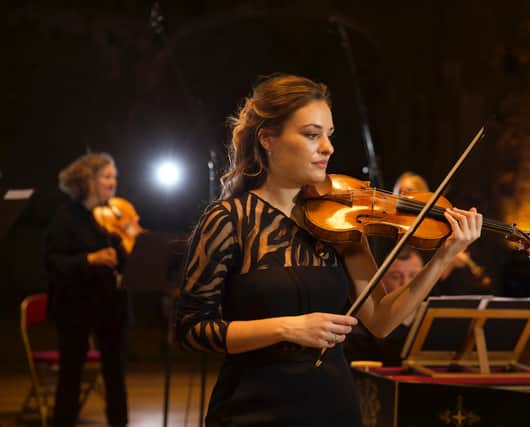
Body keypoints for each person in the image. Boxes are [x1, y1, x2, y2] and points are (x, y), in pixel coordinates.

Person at [175, 74, 482, 427]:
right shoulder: (229, 220)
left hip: (333, 405)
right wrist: (286, 328)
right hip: (252, 407)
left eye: (329, 135)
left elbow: (381, 320)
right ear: (268, 138)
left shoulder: (339, 221)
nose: (327, 147)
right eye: (311, 134)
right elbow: (191, 329)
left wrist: (442, 255)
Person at [44, 153, 129, 427]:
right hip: (75, 306)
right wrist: (90, 259)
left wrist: (133, 243)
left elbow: (125, 259)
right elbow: (53, 262)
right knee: (71, 374)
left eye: (114, 176)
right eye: (106, 176)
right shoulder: (66, 217)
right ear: (87, 180)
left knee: (115, 373)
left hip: (110, 305)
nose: (113, 182)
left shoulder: (113, 217)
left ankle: (120, 422)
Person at [345, 247, 425, 366]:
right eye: (396, 276)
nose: (406, 284)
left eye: (414, 276)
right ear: (381, 279)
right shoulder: (361, 328)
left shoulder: (433, 317)